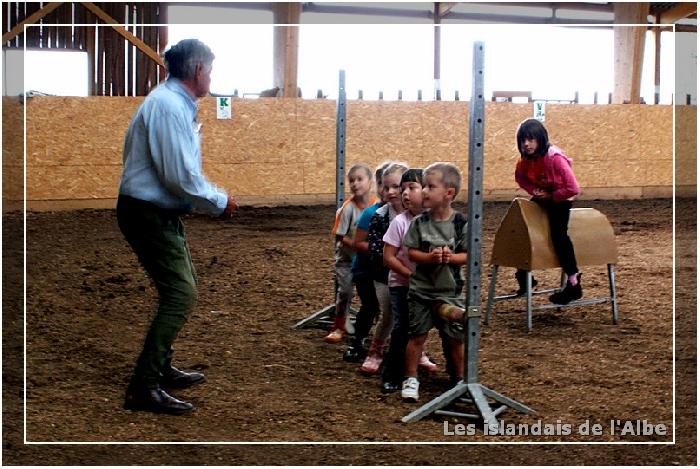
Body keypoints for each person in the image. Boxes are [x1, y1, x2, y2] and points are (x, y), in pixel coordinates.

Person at [117, 39, 238, 415]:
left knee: (180, 289)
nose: (212, 77)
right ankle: (144, 385)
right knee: (181, 294)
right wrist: (220, 201)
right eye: (211, 70)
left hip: (155, 211)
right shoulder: (169, 107)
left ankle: (160, 367)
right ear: (199, 71)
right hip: (148, 211)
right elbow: (180, 177)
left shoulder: (172, 103)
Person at [401, 162, 468, 402]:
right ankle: (410, 378)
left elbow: (468, 255)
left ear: (448, 193)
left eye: (430, 186)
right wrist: (430, 257)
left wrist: (451, 257)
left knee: (454, 338)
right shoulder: (419, 223)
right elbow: (411, 253)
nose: (424, 191)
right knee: (417, 335)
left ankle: (458, 378)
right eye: (425, 186)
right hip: (421, 291)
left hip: (451, 292)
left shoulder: (461, 223)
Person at [380, 168, 439, 392]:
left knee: (428, 328)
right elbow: (388, 258)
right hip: (402, 286)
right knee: (402, 328)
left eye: (411, 188)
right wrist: (410, 275)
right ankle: (392, 374)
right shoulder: (399, 223)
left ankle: (455, 375)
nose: (405, 193)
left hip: (429, 287)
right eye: (402, 189)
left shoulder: (436, 221)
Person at [514, 118, 582, 305]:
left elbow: (573, 188)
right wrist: (533, 191)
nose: (526, 144)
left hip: (560, 199)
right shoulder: (524, 161)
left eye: (531, 140)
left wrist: (551, 196)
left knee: (559, 236)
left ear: (540, 140)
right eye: (523, 140)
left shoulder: (555, 159)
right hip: (543, 197)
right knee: (521, 229)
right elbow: (520, 179)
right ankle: (524, 276)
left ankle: (574, 283)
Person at [343, 162, 391, 362]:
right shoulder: (371, 213)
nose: (389, 191)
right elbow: (357, 243)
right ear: (377, 186)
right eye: (384, 186)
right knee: (370, 306)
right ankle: (357, 342)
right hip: (366, 271)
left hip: (387, 270)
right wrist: (384, 251)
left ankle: (385, 343)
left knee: (391, 309)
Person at [325, 163, 377, 343]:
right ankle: (339, 325)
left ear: (370, 182)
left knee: (371, 295)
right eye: (351, 181)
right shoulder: (347, 208)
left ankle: (371, 326)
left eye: (360, 179)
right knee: (345, 292)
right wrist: (357, 245)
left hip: (367, 261)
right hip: (347, 260)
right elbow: (339, 235)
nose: (355, 184)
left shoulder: (377, 207)